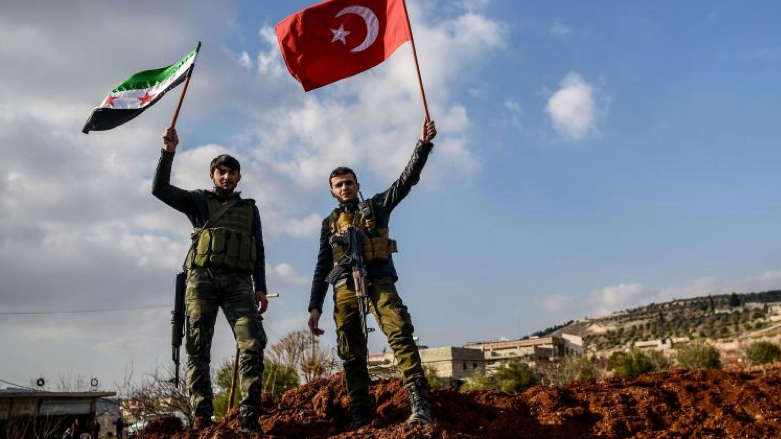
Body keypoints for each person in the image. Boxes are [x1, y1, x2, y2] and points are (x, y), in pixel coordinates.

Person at [307, 119, 437, 427]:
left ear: (357, 185)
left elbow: (406, 181)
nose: (345, 188)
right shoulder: (329, 223)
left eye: (349, 182)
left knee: (399, 332)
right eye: (338, 185)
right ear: (332, 191)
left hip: (379, 280)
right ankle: (360, 414)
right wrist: (315, 306)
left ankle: (419, 403)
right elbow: (322, 264)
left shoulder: (377, 206)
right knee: (351, 350)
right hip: (343, 288)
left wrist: (423, 145)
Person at [152, 127, 268, 433]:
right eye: (221, 172)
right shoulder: (199, 202)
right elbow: (160, 189)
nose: (227, 177)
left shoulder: (249, 210)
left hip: (239, 285)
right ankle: (202, 416)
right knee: (198, 348)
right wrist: (168, 152)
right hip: (202, 281)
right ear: (212, 175)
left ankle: (249, 416)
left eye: (232, 173)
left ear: (239, 177)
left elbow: (258, 248)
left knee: (253, 344)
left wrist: (262, 288)